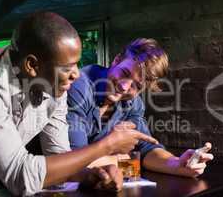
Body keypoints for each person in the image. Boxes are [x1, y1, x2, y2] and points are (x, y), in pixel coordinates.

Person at [0, 12, 158, 196]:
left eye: (77, 64)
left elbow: (59, 156)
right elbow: (21, 176)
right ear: (32, 65)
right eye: (68, 67)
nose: (77, 74)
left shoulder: (54, 83)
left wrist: (90, 175)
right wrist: (107, 146)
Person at [67, 38, 214, 177]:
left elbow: (145, 150)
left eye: (136, 85)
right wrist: (124, 157)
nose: (124, 87)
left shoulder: (133, 103)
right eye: (124, 73)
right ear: (116, 60)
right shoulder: (79, 86)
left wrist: (177, 164)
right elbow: (73, 160)